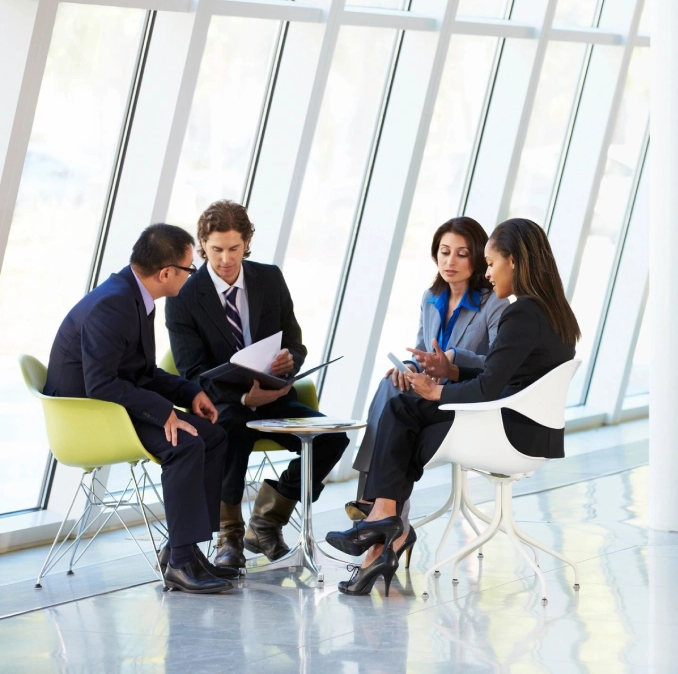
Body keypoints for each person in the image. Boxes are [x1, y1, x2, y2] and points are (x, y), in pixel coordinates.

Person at [326, 218, 581, 596]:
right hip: (528, 427)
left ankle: (384, 519)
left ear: (514, 261)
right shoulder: (554, 311)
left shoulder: (521, 312)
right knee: (403, 408)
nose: (489, 274)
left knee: (403, 412)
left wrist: (437, 393)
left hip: (506, 430)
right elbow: (506, 372)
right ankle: (384, 524)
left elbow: (491, 385)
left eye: (491, 262)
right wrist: (451, 370)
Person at [44, 224, 235, 595]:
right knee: (184, 443)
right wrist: (166, 412)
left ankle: (186, 549)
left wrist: (188, 391)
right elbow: (100, 384)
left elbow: (140, 372)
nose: (192, 276)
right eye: (189, 268)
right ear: (166, 274)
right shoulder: (113, 304)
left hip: (114, 406)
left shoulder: (134, 295)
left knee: (212, 436)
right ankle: (180, 562)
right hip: (91, 417)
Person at [165, 200, 349, 568]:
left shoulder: (269, 278)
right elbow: (192, 371)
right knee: (232, 428)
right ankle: (228, 536)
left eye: (234, 248)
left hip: (276, 396)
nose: (226, 259)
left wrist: (290, 360)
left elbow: (295, 341)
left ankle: (266, 521)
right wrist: (245, 395)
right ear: (203, 244)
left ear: (247, 241)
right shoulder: (184, 296)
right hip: (222, 402)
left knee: (332, 438)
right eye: (216, 250)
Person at [344, 217, 508, 563]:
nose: (450, 261)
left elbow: (496, 365)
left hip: (464, 400)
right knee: (391, 383)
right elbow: (422, 350)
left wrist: (452, 360)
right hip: (428, 394)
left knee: (395, 405)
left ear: (477, 258)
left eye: (462, 254)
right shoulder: (431, 297)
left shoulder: (493, 301)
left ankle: (377, 507)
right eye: (444, 252)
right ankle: (389, 520)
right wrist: (412, 370)